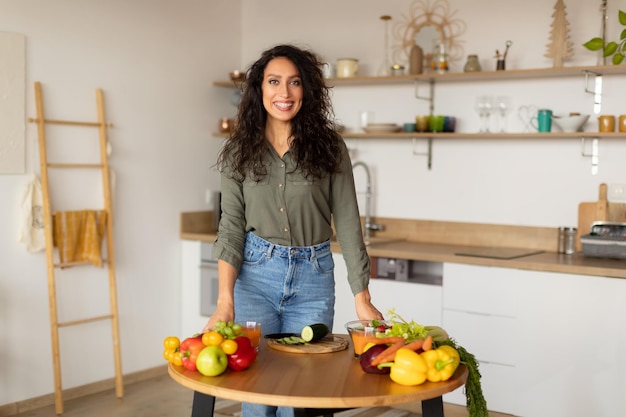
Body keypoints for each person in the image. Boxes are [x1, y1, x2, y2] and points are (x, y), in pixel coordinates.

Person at [202, 44, 383, 417]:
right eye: (274, 82)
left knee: (303, 396)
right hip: (254, 279)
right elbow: (231, 227)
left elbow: (348, 224)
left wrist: (361, 297)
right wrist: (225, 300)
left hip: (313, 281)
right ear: (259, 89)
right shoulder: (238, 152)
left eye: (294, 83)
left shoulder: (331, 148)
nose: (284, 93)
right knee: (256, 394)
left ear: (307, 91)